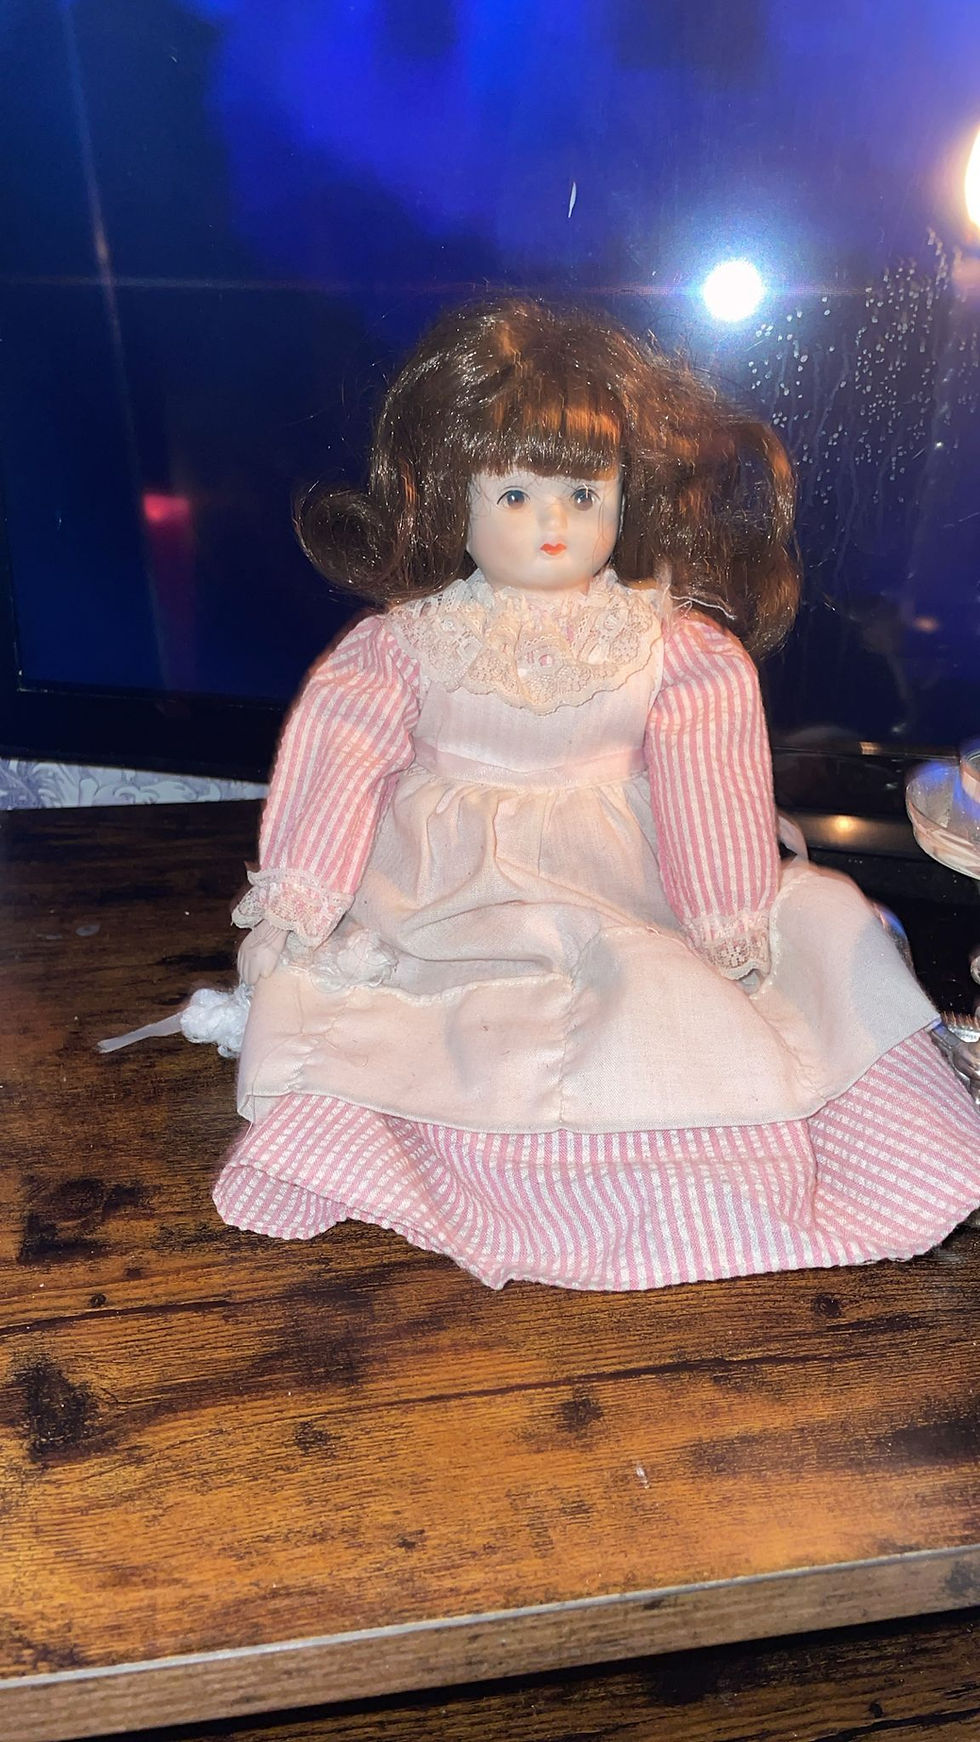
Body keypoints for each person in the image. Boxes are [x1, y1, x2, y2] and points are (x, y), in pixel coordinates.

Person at [212, 297, 980, 1290]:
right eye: (515, 493)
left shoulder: (668, 646)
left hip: (625, 877)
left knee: (708, 979)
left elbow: (706, 786)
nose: (551, 523)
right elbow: (339, 763)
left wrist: (729, 918)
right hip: (446, 891)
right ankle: (455, 1167)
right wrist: (298, 903)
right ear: (451, 497)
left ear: (624, 496)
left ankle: (692, 1181)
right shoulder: (408, 642)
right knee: (434, 1029)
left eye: (582, 493)